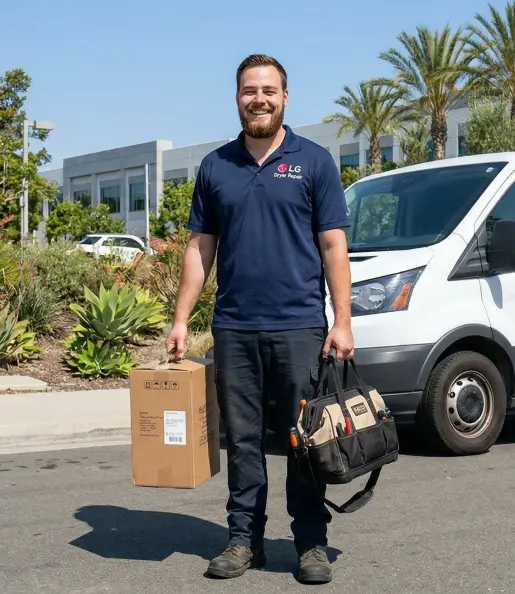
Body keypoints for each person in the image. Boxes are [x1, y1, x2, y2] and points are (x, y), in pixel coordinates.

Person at [164, 53, 354, 585]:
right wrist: (181, 319)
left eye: (269, 90)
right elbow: (200, 248)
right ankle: (244, 540)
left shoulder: (314, 161)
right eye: (250, 91)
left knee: (304, 440)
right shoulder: (216, 166)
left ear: (285, 97)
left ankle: (311, 542)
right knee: (243, 441)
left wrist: (342, 320)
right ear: (237, 98)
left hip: (299, 327)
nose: (259, 99)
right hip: (235, 328)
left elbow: (334, 245)